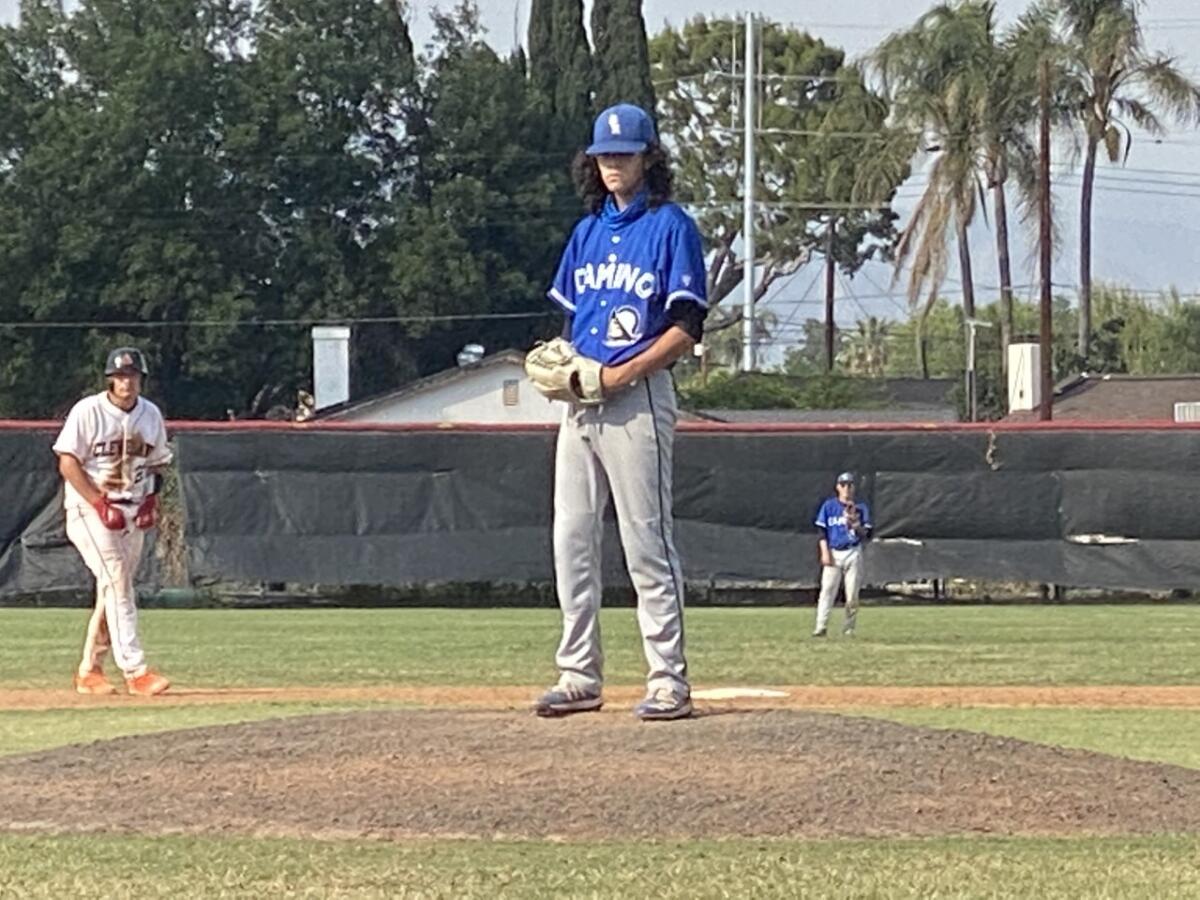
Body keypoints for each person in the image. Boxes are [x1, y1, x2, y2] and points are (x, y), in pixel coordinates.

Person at [532, 103, 707, 721]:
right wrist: (565, 367)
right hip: (580, 407)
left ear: (648, 159)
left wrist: (617, 374)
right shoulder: (585, 234)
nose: (613, 164)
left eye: (625, 154)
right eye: (605, 155)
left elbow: (686, 327)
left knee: (645, 541)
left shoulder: (671, 226)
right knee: (571, 540)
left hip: (638, 400)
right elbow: (570, 320)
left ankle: (668, 680)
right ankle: (579, 674)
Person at [53, 347, 173, 696]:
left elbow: (158, 463)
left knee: (112, 589)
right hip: (88, 507)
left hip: (131, 509)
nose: (126, 382)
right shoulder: (88, 411)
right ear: (110, 379)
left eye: (132, 375)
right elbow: (68, 463)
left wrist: (152, 499)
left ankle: (90, 671)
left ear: (141, 379)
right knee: (118, 580)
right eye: (120, 376)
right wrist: (97, 501)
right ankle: (136, 672)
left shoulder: (150, 414)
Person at [813, 471, 873, 637]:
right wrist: (825, 553)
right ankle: (820, 627)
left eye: (850, 485)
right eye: (843, 485)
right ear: (837, 487)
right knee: (827, 591)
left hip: (853, 551)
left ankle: (848, 629)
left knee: (852, 594)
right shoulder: (829, 506)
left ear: (854, 488)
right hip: (833, 552)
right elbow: (822, 532)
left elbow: (867, 535)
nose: (847, 488)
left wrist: (855, 524)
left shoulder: (860, 508)